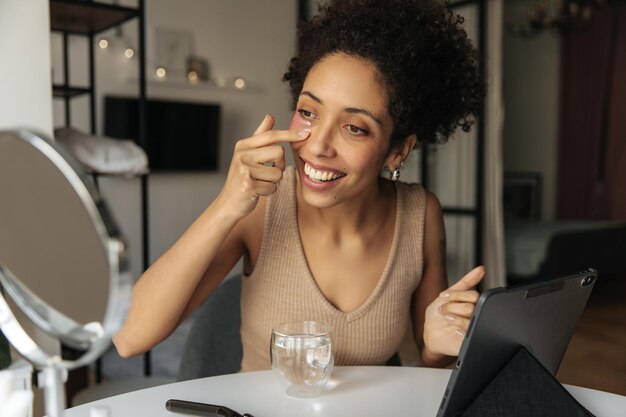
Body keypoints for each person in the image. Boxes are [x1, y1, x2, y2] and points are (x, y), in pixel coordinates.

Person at [114, 0, 485, 371]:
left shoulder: (421, 214)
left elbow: (432, 363)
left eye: (354, 127)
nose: (317, 146)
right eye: (308, 112)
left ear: (397, 151)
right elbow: (129, 338)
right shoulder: (261, 206)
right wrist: (228, 203)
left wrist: (439, 346)